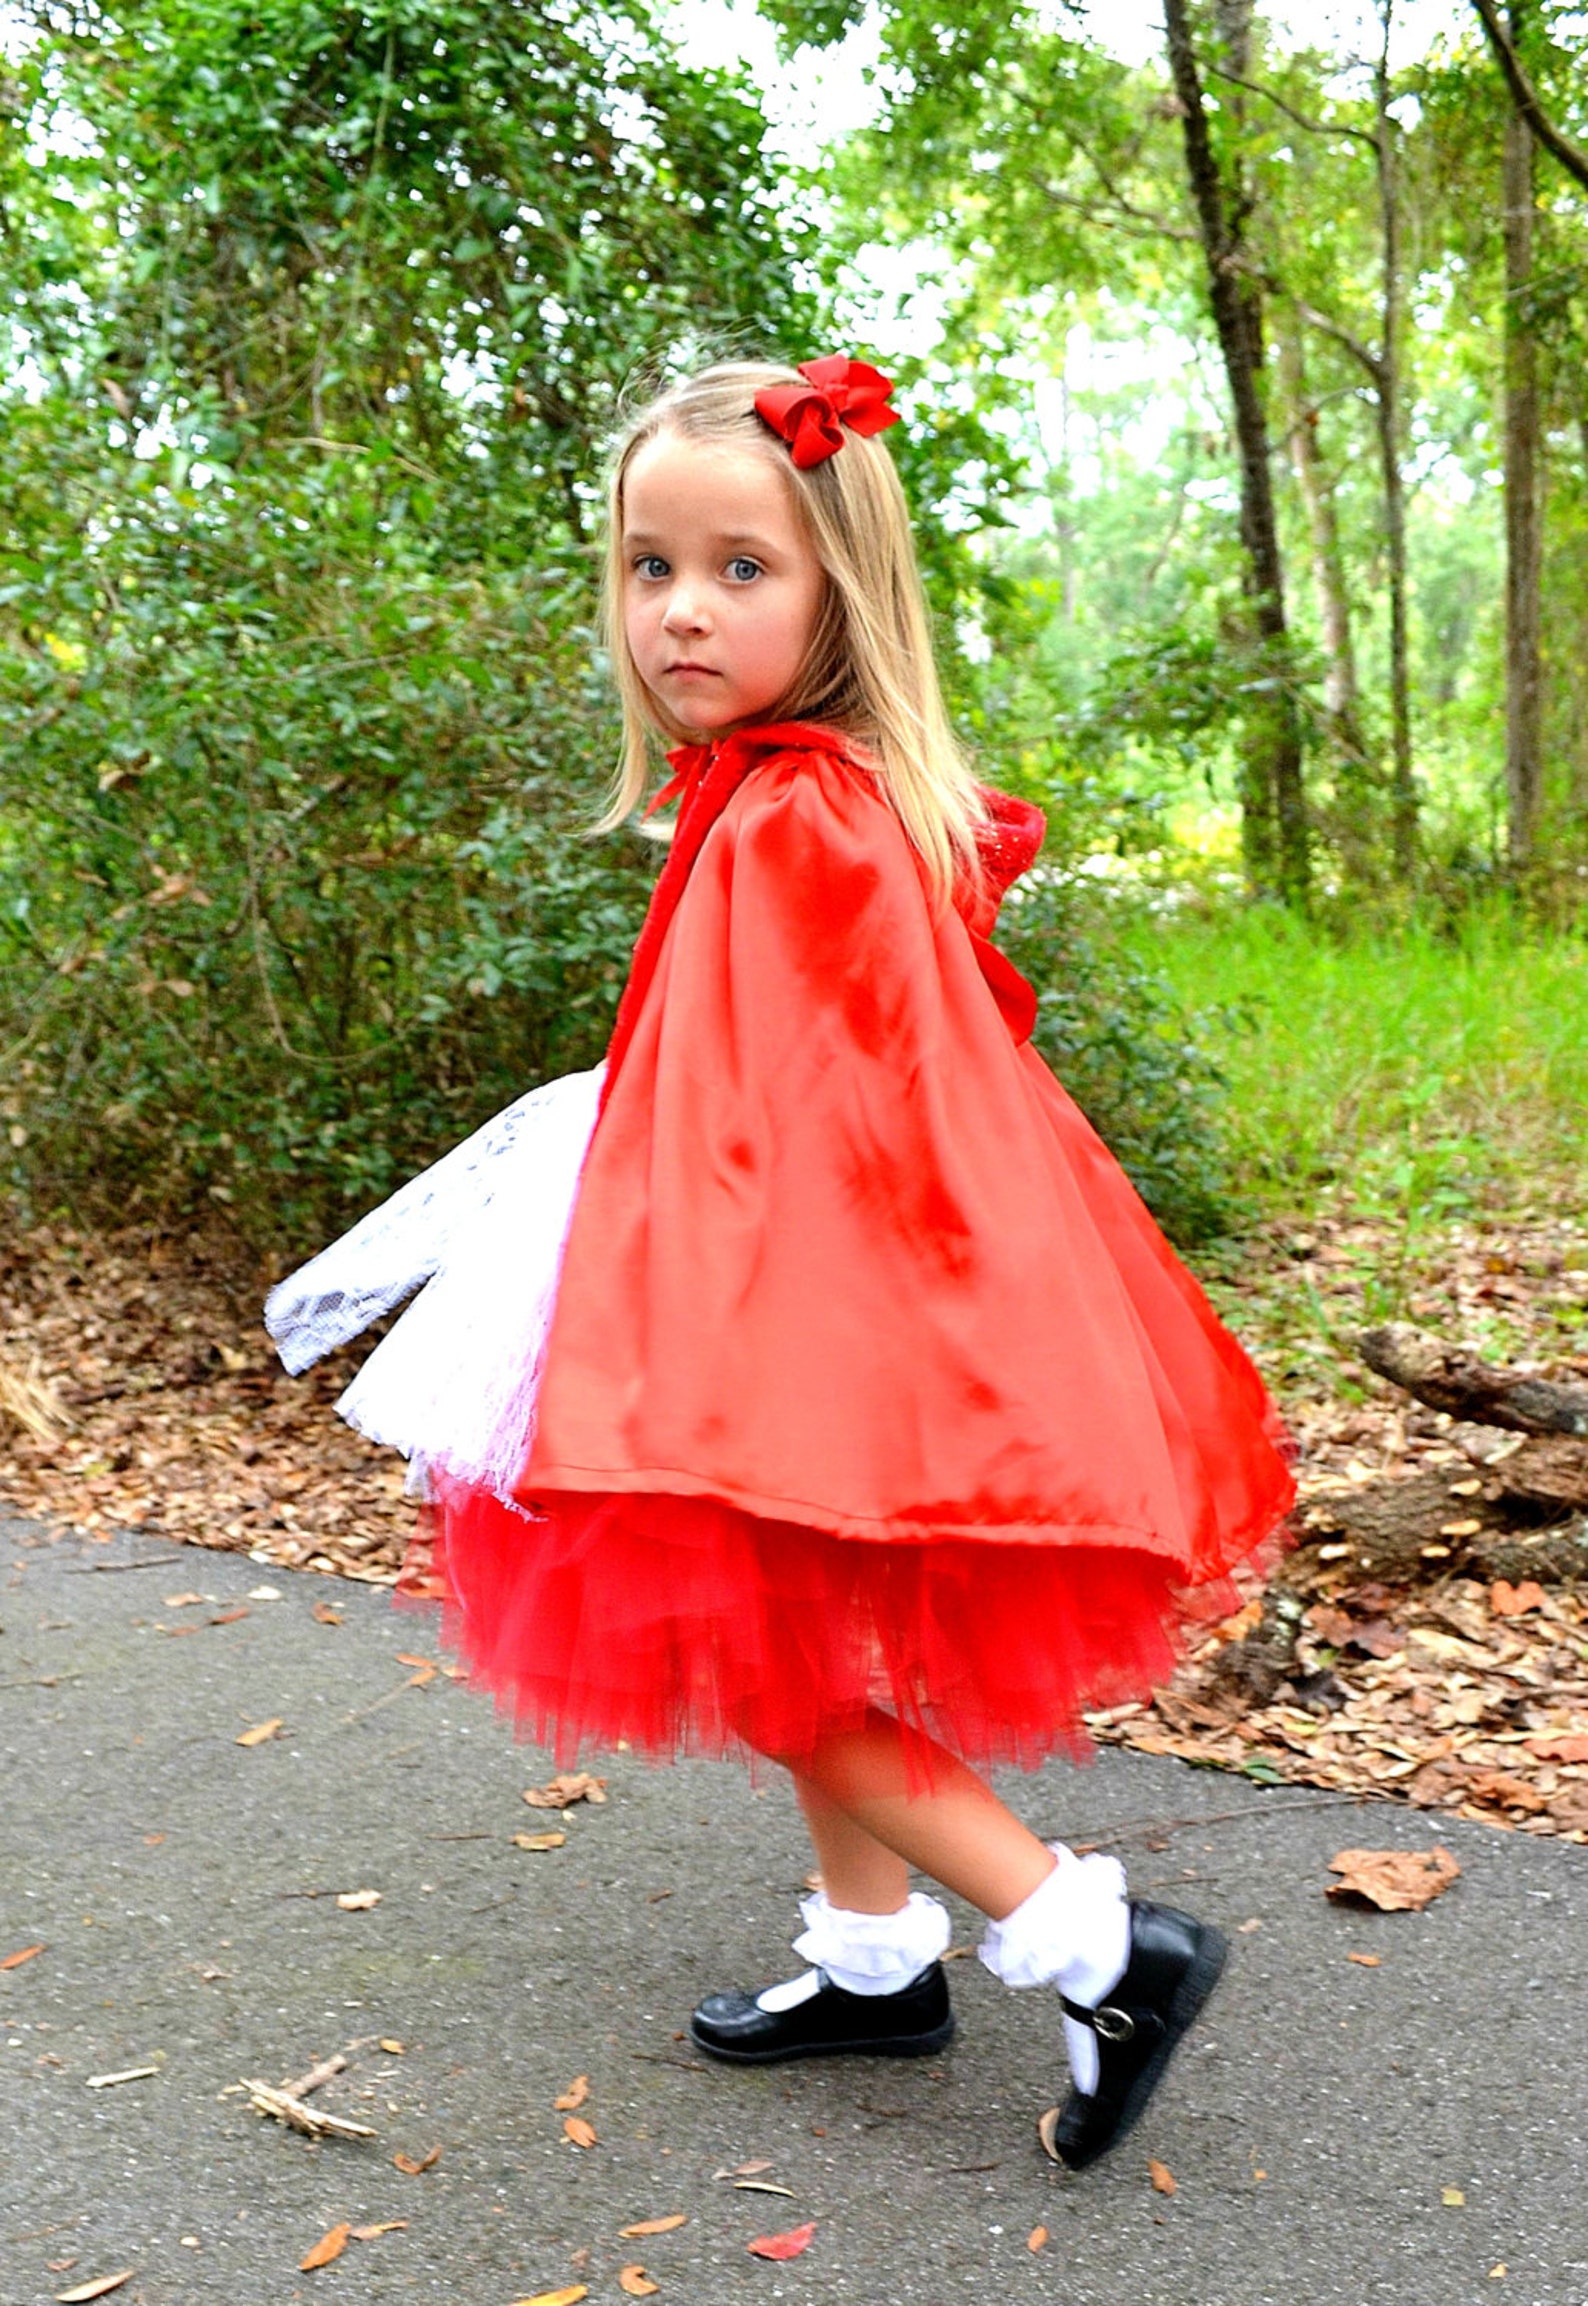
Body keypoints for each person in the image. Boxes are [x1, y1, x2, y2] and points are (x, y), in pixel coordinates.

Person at [266, 353, 1294, 2173]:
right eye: (651, 565)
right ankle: (878, 1958)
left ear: (840, 588)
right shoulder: (774, 786)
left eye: (743, 568)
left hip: (803, 1312)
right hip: (816, 1285)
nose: (681, 609)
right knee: (805, 1637)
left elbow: (813, 1127)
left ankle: (1099, 1944)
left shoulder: (803, 811)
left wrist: (686, 1352)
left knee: (771, 1669)